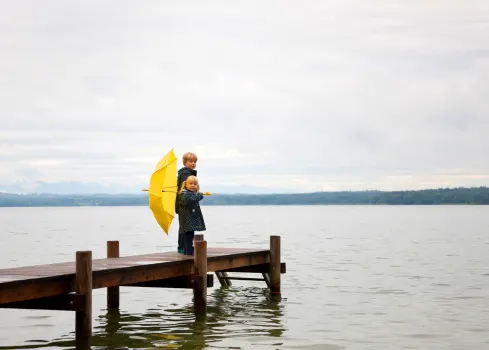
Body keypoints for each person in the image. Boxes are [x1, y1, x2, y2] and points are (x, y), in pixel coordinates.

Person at [177, 175, 206, 255]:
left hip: (190, 219)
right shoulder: (185, 194)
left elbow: (193, 198)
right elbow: (191, 200)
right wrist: (199, 195)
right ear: (186, 184)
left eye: (195, 184)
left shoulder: (190, 193)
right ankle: (188, 251)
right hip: (187, 219)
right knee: (188, 236)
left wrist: (197, 194)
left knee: (190, 235)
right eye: (191, 183)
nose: (193, 185)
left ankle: (189, 249)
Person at [176, 152, 198, 254]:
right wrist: (195, 193)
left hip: (181, 205)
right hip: (186, 205)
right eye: (191, 161)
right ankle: (187, 248)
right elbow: (187, 190)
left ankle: (181, 247)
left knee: (183, 226)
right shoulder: (186, 174)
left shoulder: (183, 173)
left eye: (195, 161)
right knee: (188, 227)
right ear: (185, 162)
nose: (193, 163)